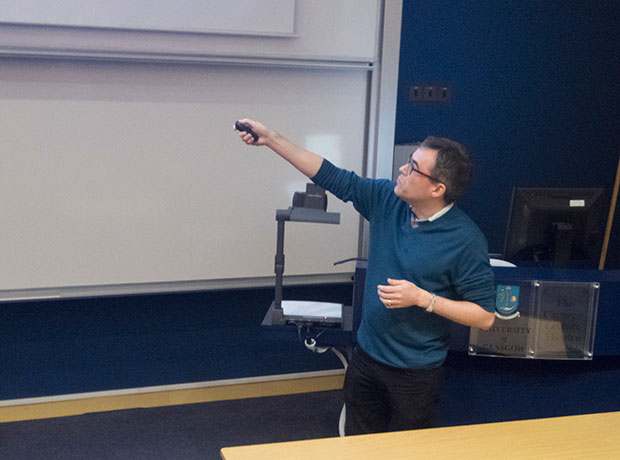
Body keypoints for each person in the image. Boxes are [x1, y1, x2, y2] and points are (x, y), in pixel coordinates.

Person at [234, 119, 496, 435]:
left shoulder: (465, 240)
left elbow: (484, 317)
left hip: (416, 374)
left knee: (407, 454)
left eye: (413, 168)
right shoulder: (388, 200)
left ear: (437, 188)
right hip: (367, 358)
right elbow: (332, 176)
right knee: (359, 445)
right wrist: (273, 139)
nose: (402, 169)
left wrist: (423, 299)